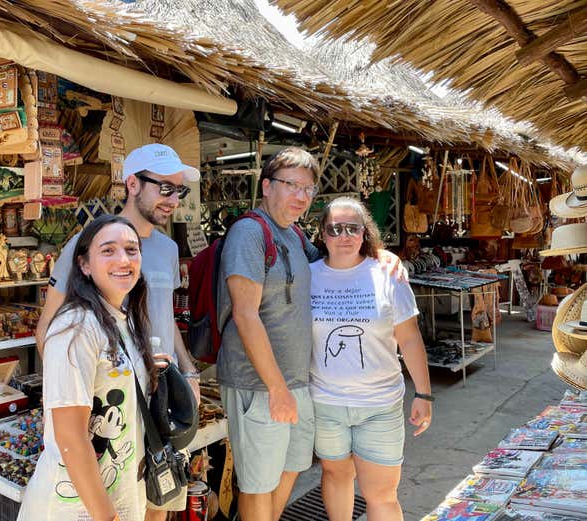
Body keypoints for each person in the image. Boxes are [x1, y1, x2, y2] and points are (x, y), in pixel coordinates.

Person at [35, 143, 200, 520]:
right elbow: (49, 329)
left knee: (152, 501)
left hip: (153, 402)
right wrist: (74, 401)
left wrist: (185, 371)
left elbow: (162, 319)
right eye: (166, 188)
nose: (174, 200)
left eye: (180, 191)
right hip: (107, 412)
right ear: (133, 184)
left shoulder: (169, 249)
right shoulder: (87, 246)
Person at [18, 214, 157, 521]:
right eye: (108, 250)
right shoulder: (75, 328)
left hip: (116, 497)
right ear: (84, 265)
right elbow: (71, 438)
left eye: (131, 250)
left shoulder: (124, 319)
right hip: (75, 510)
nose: (123, 259)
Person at [215, 147, 323, 521]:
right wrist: (276, 387)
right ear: (266, 186)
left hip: (296, 381)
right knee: (258, 485)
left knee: (290, 468)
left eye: (308, 189)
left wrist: (380, 256)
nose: (301, 196)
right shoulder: (249, 232)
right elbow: (245, 314)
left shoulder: (293, 234)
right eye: (291, 185)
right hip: (259, 384)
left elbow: (332, 262)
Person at [310, 196, 432, 521]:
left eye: (353, 228)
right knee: (335, 476)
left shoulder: (387, 273)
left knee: (381, 495)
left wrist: (423, 392)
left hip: (379, 405)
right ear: (322, 234)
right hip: (325, 403)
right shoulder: (307, 277)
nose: (344, 236)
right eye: (335, 229)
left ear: (365, 233)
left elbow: (409, 337)